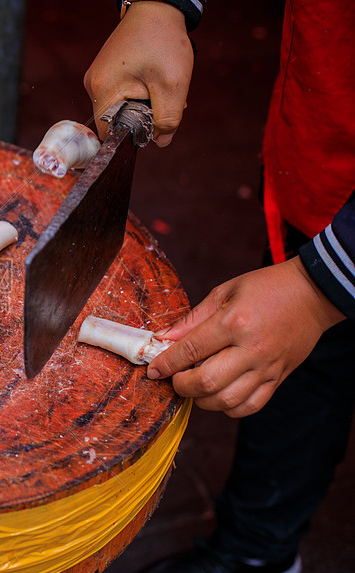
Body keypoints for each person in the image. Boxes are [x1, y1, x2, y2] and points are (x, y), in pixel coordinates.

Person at [84, 1, 355, 572]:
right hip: (321, 145)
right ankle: (257, 555)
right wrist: (161, 5)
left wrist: (321, 287)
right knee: (303, 373)